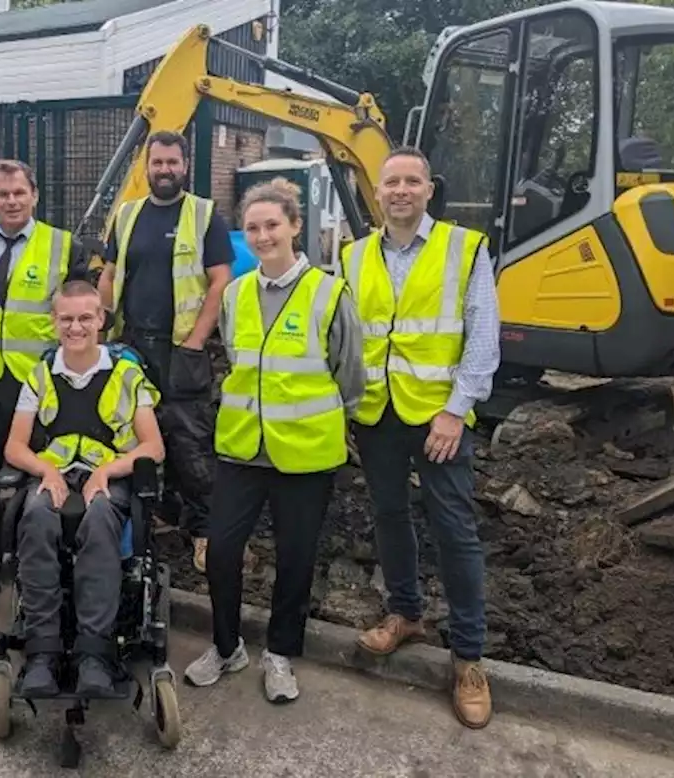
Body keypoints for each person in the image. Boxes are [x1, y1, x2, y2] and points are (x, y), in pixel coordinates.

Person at [184, 179, 365, 703]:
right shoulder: (237, 294)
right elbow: (239, 361)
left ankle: (281, 654)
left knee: (295, 557)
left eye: (272, 225)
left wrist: (324, 418)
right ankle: (226, 646)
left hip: (305, 452)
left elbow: (350, 376)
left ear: (294, 227)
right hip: (242, 447)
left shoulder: (329, 293)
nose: (262, 236)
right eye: (252, 227)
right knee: (220, 551)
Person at [342, 146, 500, 729]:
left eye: (412, 181)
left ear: (429, 189)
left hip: (440, 418)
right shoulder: (353, 256)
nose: (401, 191)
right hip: (378, 414)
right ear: (377, 193)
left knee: (455, 529)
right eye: (391, 183)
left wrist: (456, 411)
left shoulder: (464, 247)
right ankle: (404, 613)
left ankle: (468, 657)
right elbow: (347, 337)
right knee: (388, 515)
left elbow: (483, 337)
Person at [4, 280, 165, 697]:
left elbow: (154, 446)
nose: (76, 327)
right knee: (36, 516)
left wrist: (108, 471)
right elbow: (14, 446)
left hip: (108, 477)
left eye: (85, 318)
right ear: (54, 322)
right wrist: (46, 471)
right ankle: (43, 651)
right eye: (67, 319)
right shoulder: (40, 375)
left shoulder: (127, 375)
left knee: (98, 519)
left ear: (101, 321)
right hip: (56, 475)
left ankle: (94, 652)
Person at [0, 160, 89, 616]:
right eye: (2, 194)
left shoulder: (62, 246)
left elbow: (78, 316)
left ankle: (39, 578)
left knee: (42, 484)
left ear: (35, 195)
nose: (11, 201)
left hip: (39, 387)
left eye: (19, 193)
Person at [97, 130, 237, 574]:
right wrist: (102, 329)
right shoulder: (128, 214)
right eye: (157, 163)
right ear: (146, 166)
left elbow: (219, 280)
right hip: (132, 346)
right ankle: (139, 521)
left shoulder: (204, 215)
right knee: (129, 434)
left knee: (190, 444)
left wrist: (196, 341)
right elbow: (110, 273)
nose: (164, 170)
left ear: (184, 165)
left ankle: (203, 533)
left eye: (172, 163)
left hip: (181, 350)